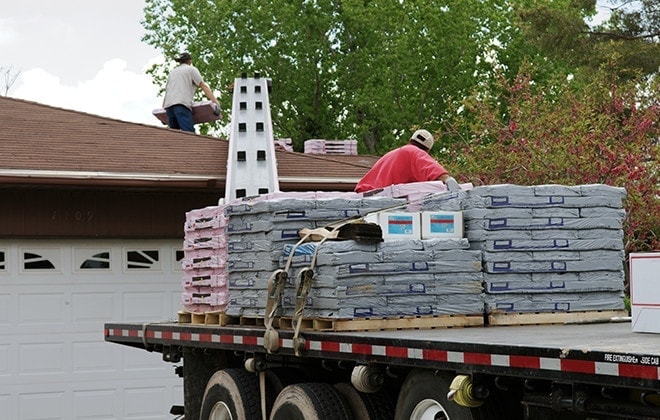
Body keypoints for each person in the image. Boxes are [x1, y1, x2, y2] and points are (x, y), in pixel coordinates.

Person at [354, 129, 460, 193]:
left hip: (366, 197)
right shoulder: (413, 152)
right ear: (427, 150)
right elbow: (430, 167)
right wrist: (448, 179)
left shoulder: (390, 155)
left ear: (410, 140)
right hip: (381, 202)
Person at [162, 51, 219, 133]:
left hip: (169, 108)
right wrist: (216, 103)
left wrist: (163, 112)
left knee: (175, 137)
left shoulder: (172, 72)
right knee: (189, 135)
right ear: (190, 61)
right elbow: (203, 86)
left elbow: (167, 92)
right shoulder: (191, 69)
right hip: (181, 105)